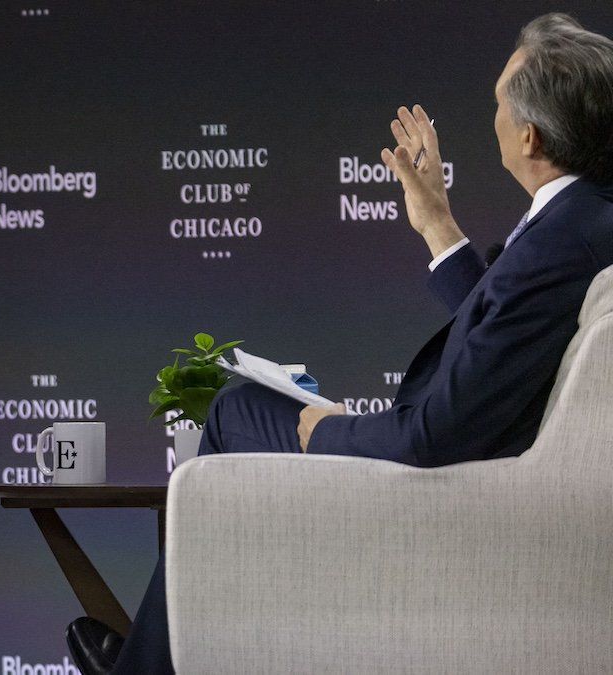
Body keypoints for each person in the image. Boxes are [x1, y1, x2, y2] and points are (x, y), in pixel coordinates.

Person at [67, 13, 613, 674]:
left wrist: (322, 431)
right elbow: (501, 335)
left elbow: (432, 435)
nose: (491, 114)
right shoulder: (582, 218)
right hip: (472, 462)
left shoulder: (561, 239)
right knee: (250, 414)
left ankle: (152, 665)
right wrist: (437, 223)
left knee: (235, 411)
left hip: (443, 478)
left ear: (528, 134)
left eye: (498, 103)